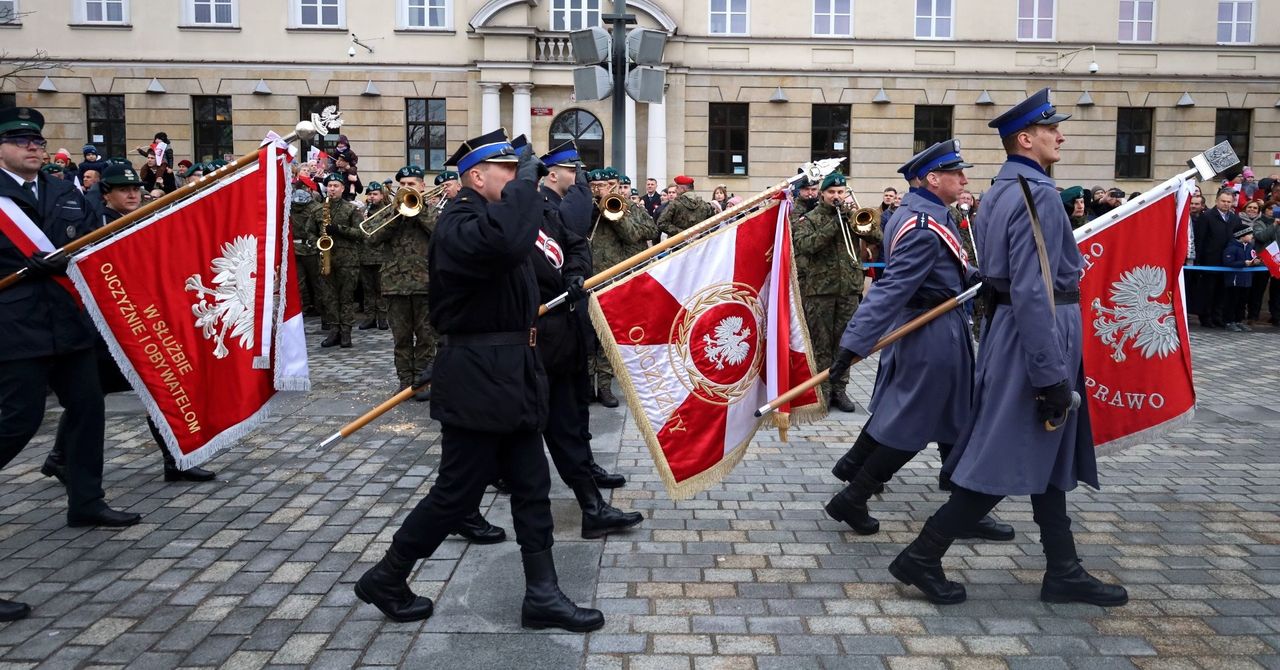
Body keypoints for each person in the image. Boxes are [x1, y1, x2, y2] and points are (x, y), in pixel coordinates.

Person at [355, 130, 604, 632]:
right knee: (456, 492)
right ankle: (388, 575)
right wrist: (528, 184)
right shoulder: (460, 223)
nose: (517, 177)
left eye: (517, 169)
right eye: (507, 170)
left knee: (532, 486)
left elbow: (547, 242)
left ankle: (542, 595)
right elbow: (507, 240)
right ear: (476, 177)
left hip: (511, 373)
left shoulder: (493, 218)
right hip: (480, 379)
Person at [889, 89, 1127, 608]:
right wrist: (1049, 375)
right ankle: (923, 554)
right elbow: (1032, 289)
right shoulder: (1034, 193)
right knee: (1005, 454)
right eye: (1051, 129)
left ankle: (1063, 569)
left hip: (1018, 333)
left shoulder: (1003, 189)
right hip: (1035, 338)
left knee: (1047, 452)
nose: (1060, 136)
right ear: (1025, 138)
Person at [824, 141, 1013, 543]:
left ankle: (962, 502)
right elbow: (892, 287)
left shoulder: (923, 213)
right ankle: (853, 497)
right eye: (956, 173)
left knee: (956, 416)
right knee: (913, 423)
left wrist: (975, 277)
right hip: (932, 335)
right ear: (932, 179)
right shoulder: (924, 226)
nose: (964, 180)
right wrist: (853, 345)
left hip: (936, 325)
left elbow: (940, 269)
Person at [0, 110, 141, 618]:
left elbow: (86, 242)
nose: (32, 147)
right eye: (20, 140)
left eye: (37, 140)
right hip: (16, 326)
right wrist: (24, 267)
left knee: (87, 407)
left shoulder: (64, 191)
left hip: (67, 320)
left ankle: (86, 500)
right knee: (20, 419)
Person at [41, 163, 216, 484]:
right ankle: (60, 457)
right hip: (107, 330)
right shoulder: (96, 225)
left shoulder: (139, 220)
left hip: (137, 323)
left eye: (136, 188)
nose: (133, 195)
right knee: (92, 396)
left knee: (156, 387)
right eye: (124, 190)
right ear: (106, 194)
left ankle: (175, 459)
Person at [523, 140, 642, 536]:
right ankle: (463, 507)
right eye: (572, 170)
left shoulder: (546, 210)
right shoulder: (512, 213)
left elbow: (574, 243)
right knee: (502, 442)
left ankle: (591, 503)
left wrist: (574, 273)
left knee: (568, 421)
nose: (580, 178)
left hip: (563, 333)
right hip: (532, 338)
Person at [793, 172, 882, 413]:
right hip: (819, 291)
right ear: (822, 194)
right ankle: (822, 390)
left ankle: (840, 389)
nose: (836, 196)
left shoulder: (852, 216)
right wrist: (835, 223)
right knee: (821, 344)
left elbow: (877, 237)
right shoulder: (810, 218)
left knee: (845, 343)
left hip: (848, 289)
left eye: (840, 192)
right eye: (831, 192)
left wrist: (858, 220)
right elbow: (806, 245)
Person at [588, 166, 659, 409]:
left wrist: (616, 211)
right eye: (597, 186)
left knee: (607, 335)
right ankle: (587, 383)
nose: (603, 190)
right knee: (588, 335)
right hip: (590, 277)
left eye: (608, 185)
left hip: (615, 278)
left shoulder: (627, 207)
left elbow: (647, 231)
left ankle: (605, 386)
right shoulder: (587, 207)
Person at [313, 173, 363, 347]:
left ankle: (346, 332)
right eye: (330, 186)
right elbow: (309, 232)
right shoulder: (318, 210)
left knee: (346, 297)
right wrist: (317, 242)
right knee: (329, 297)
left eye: (336, 186)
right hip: (326, 259)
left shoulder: (351, 209)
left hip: (348, 260)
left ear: (342, 188)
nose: (332, 189)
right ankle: (334, 330)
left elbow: (360, 233)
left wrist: (339, 229)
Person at [1194, 189, 1242, 328]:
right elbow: (1200, 239)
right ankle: (1206, 317)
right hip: (1210, 260)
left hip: (1228, 261)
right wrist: (1199, 260)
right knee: (1208, 291)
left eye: (1229, 202)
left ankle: (1217, 316)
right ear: (1216, 201)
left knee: (1222, 291)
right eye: (1223, 201)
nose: (1226, 204)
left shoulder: (1235, 219)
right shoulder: (1207, 216)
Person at [357, 182, 389, 331]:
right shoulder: (361, 211)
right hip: (365, 255)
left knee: (381, 289)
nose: (372, 197)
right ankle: (370, 318)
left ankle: (383, 318)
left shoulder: (387, 211)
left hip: (381, 255)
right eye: (369, 194)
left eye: (375, 194)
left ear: (382, 196)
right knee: (368, 289)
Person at [1222, 226, 1260, 332]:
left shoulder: (1250, 247)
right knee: (1232, 301)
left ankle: (1238, 321)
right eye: (1250, 234)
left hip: (1246, 280)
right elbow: (1228, 262)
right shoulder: (1231, 247)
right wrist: (1243, 263)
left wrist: (1255, 262)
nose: (1252, 236)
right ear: (1242, 236)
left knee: (1242, 302)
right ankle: (1229, 321)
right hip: (1234, 280)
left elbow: (1252, 257)